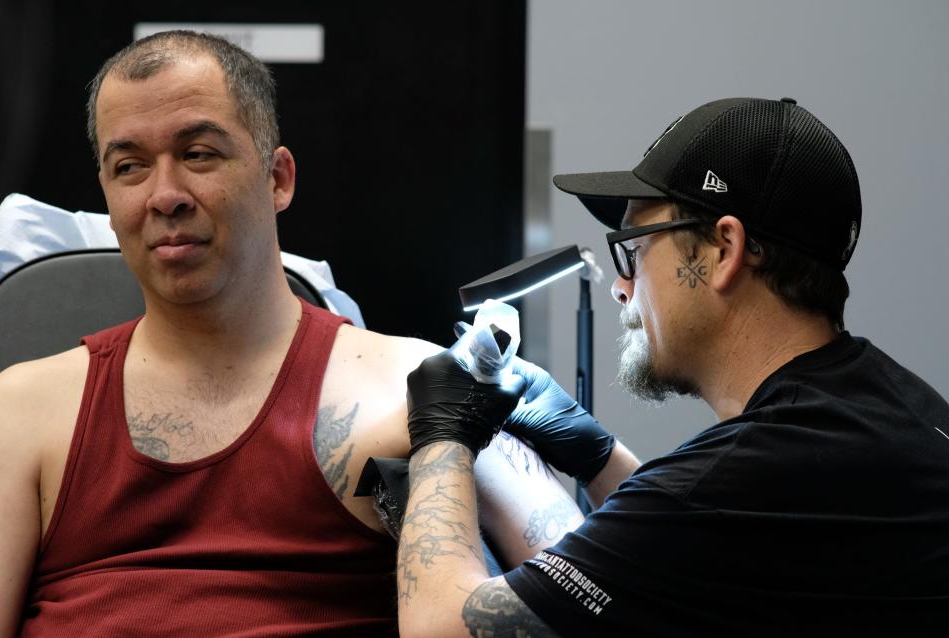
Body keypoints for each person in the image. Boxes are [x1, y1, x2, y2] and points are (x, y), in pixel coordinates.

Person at [0, 31, 583, 636]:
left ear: (278, 179)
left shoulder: (420, 393)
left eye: (198, 154)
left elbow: (597, 596)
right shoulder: (21, 414)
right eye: (130, 167)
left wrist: (606, 459)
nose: (164, 196)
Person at [397, 97, 949, 637]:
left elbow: (440, 626)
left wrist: (441, 435)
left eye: (633, 251)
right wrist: (599, 454)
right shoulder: (889, 408)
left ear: (723, 251)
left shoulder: (746, 474)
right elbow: (691, 543)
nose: (620, 287)